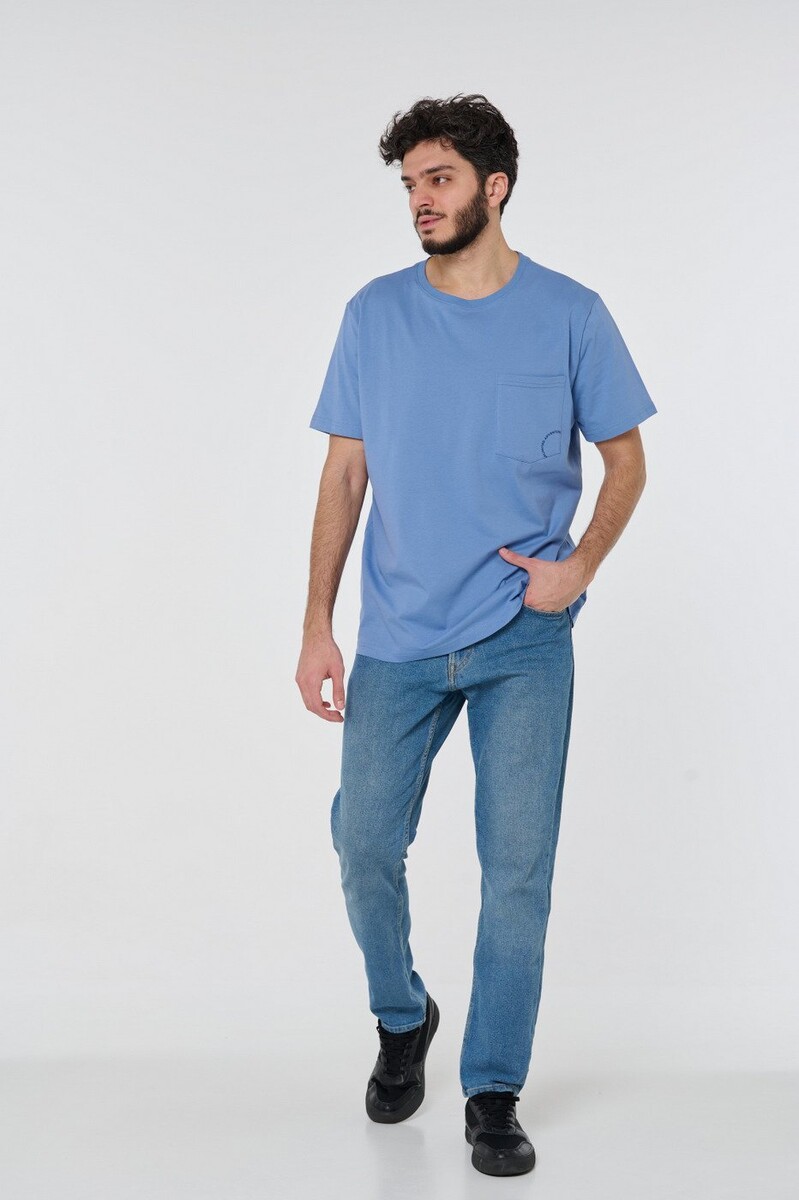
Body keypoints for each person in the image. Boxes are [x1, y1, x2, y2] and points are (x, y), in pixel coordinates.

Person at [295, 93, 657, 1178]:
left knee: (517, 870)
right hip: (398, 633)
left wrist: (578, 567)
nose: (419, 200)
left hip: (522, 636)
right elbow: (344, 476)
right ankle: (402, 1014)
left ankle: (492, 1088)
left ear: (494, 187)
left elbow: (626, 459)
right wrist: (316, 625)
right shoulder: (372, 315)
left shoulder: (571, 314)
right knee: (364, 842)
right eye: (409, 183)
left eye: (438, 179)